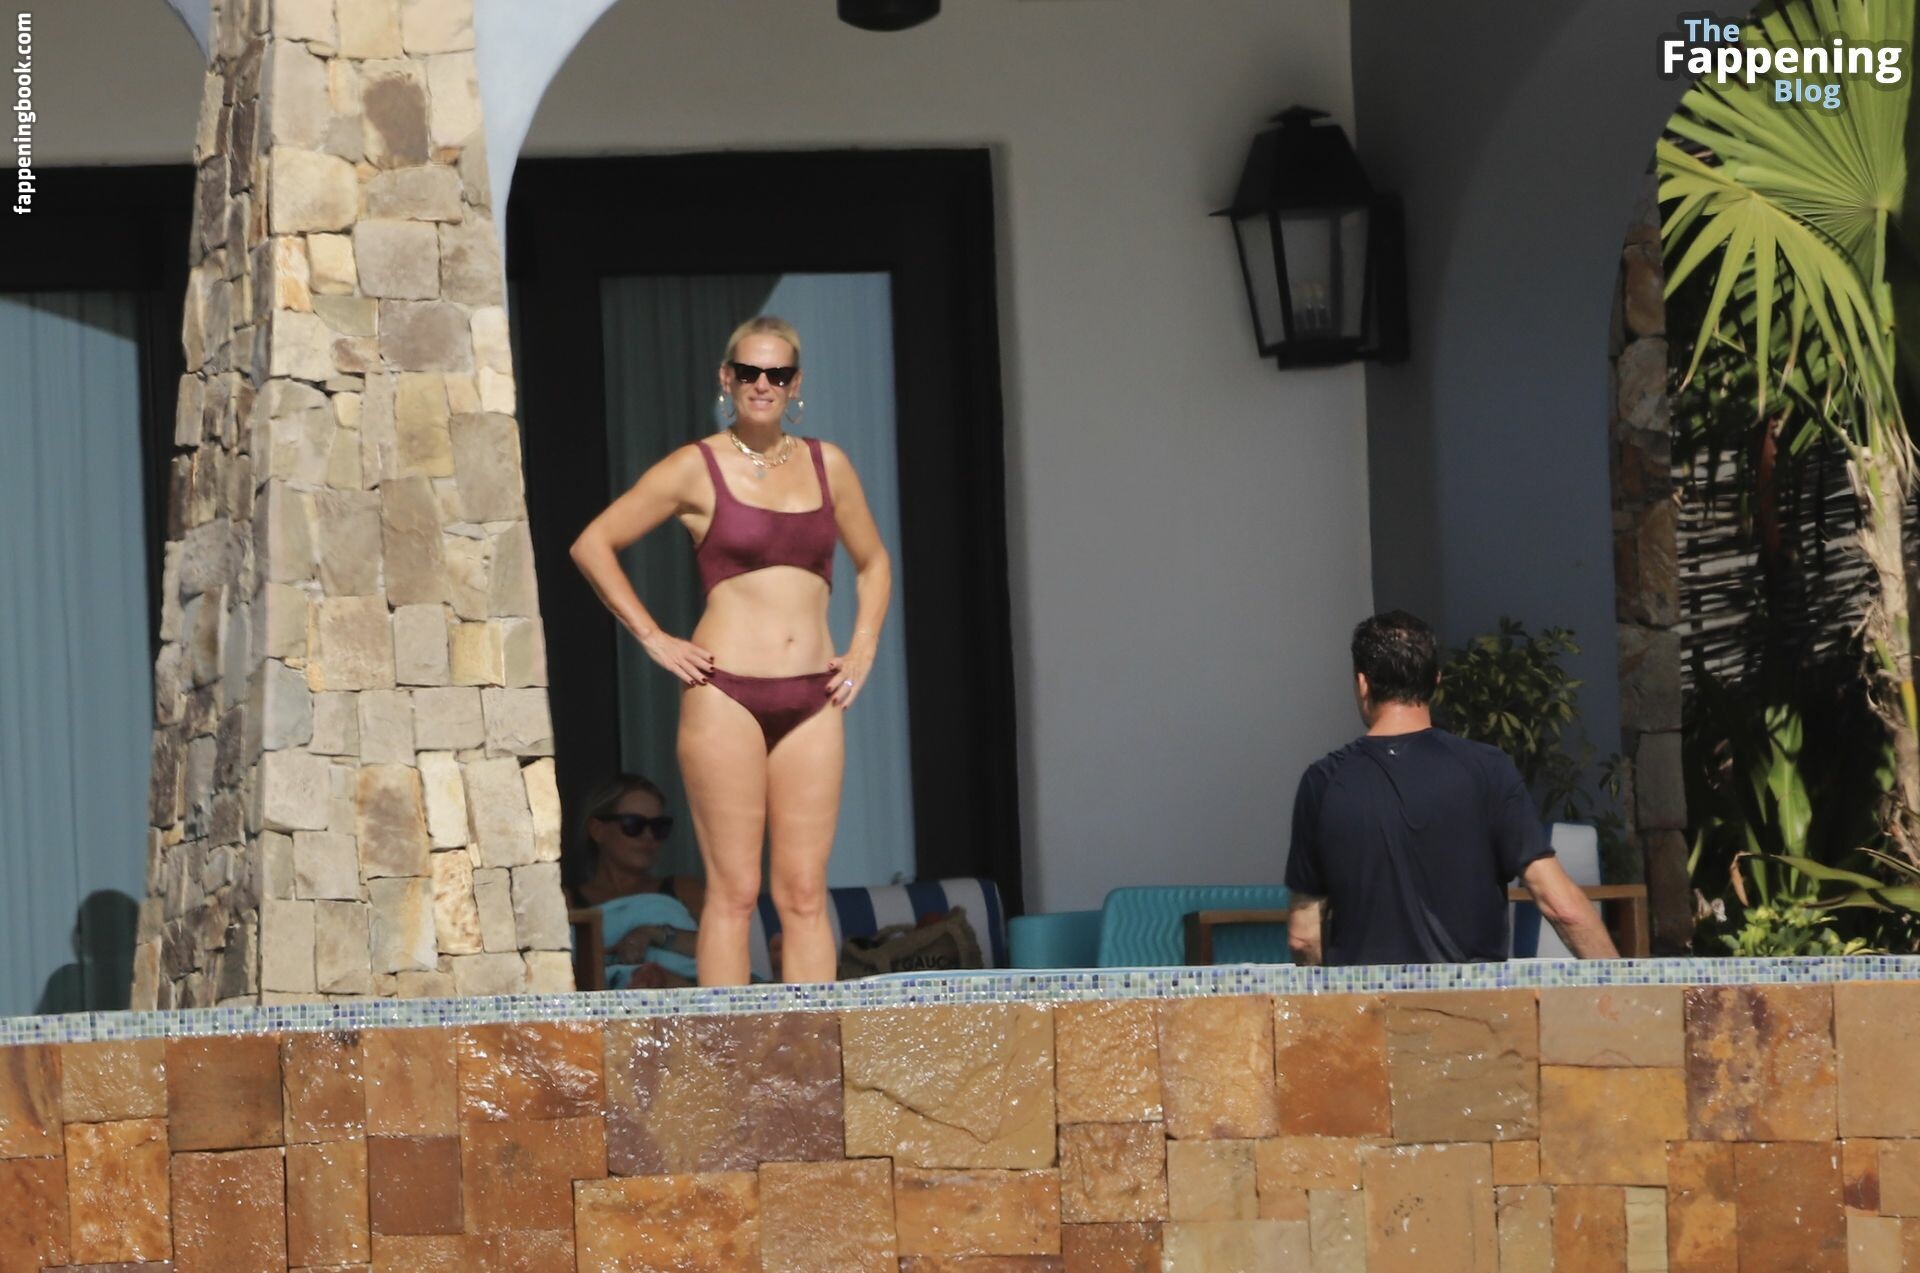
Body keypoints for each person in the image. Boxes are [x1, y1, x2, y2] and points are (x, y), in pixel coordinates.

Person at [570, 316, 892, 985]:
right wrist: (654, 637)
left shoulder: (827, 464)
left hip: (814, 694)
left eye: (777, 373)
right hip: (726, 694)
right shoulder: (697, 466)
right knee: (735, 893)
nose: (762, 384)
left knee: (804, 892)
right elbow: (593, 544)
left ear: (795, 383)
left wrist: (863, 646)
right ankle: (727, 1052)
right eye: (748, 371)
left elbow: (874, 561)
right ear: (727, 377)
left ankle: (809, 1047)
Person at [1285, 610, 1618, 965]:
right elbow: (1562, 907)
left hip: (1367, 999)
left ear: (1363, 684)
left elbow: (1304, 937)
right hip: (1473, 998)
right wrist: (1625, 988)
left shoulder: (1323, 782)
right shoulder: (1487, 769)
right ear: (1436, 680)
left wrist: (1326, 993)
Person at [567, 773, 705, 988]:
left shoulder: (683, 889)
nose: (648, 836)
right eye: (633, 824)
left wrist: (655, 934)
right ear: (597, 830)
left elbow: (727, 949)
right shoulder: (566, 901)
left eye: (659, 827)